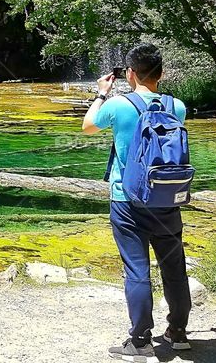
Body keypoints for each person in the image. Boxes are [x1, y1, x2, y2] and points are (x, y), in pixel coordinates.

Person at [82, 43, 193, 363]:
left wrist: (102, 93)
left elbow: (87, 126)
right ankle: (179, 333)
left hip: (127, 200)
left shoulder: (118, 105)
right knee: (174, 269)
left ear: (130, 73)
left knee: (137, 270)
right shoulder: (178, 107)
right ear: (162, 73)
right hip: (167, 199)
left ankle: (141, 341)